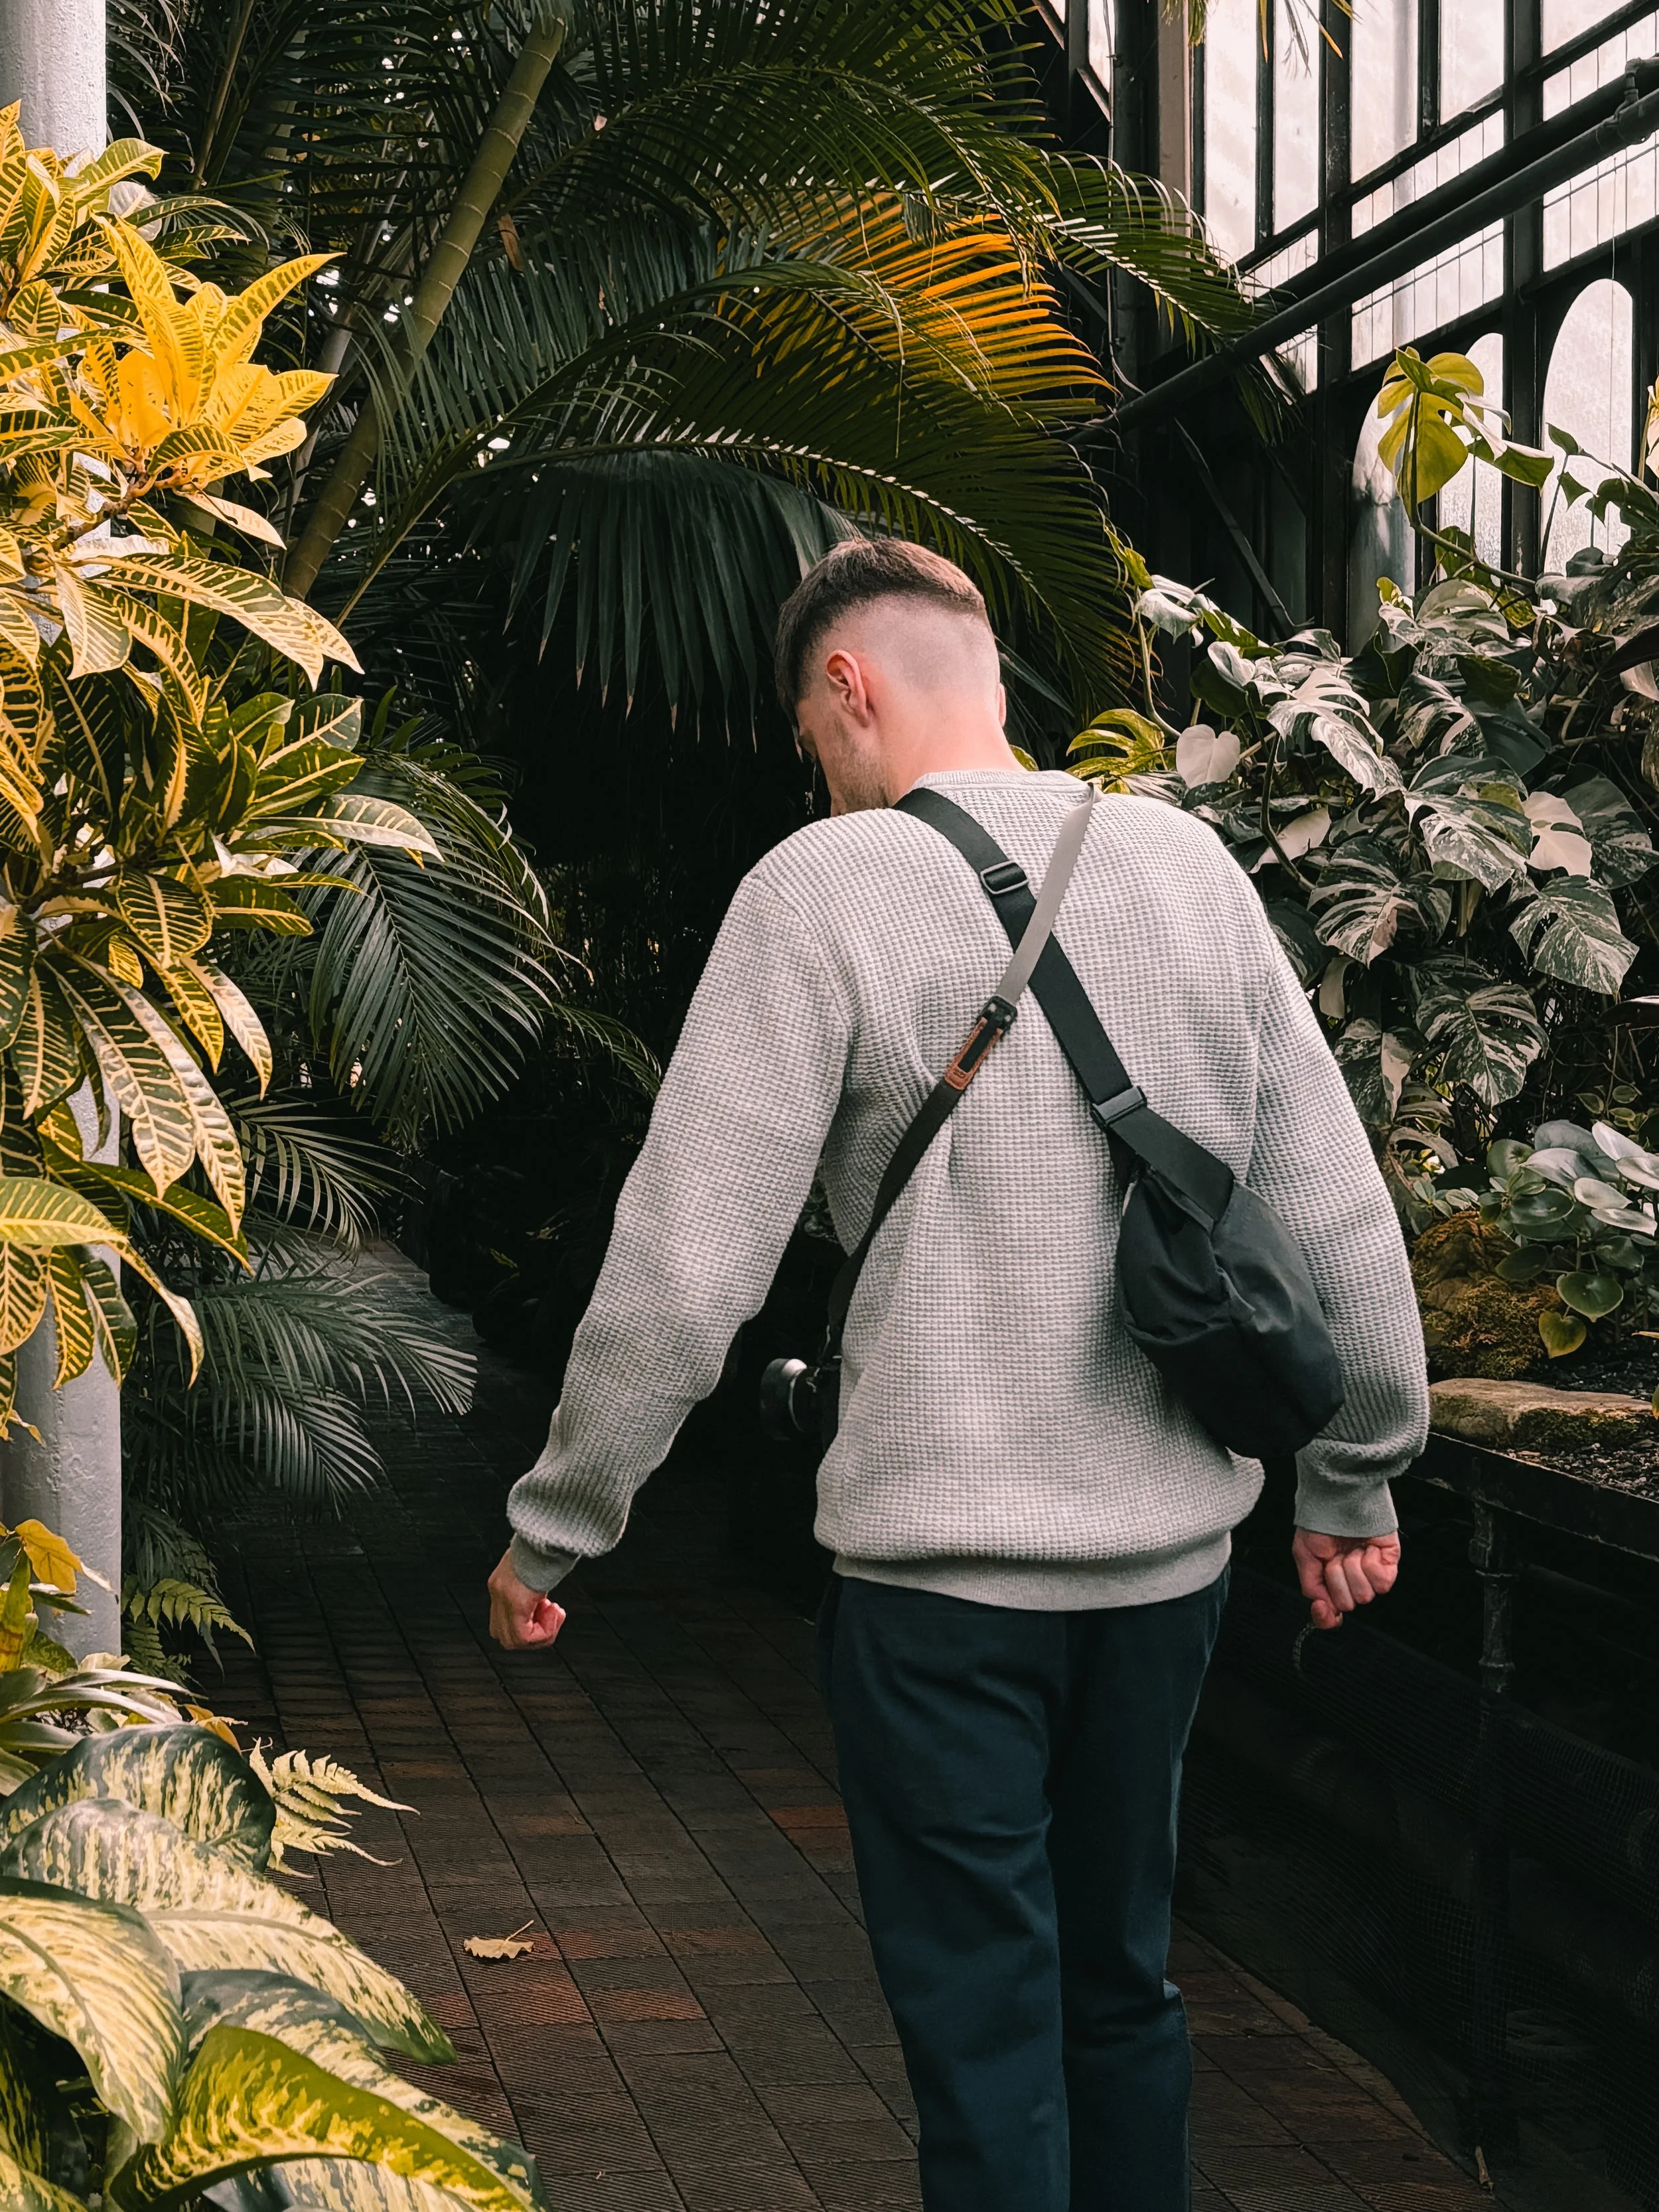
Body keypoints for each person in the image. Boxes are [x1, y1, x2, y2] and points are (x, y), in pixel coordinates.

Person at [488, 538, 1427, 2210]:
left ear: (845, 688)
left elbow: (684, 1262)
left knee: (983, 2027)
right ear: (987, 670)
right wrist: (1350, 1471)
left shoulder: (819, 891)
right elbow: (1332, 1206)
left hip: (937, 1590)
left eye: (808, 739)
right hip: (1164, 1578)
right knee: (1119, 1988)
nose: (818, 773)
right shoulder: (1189, 866)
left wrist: (561, 1522)